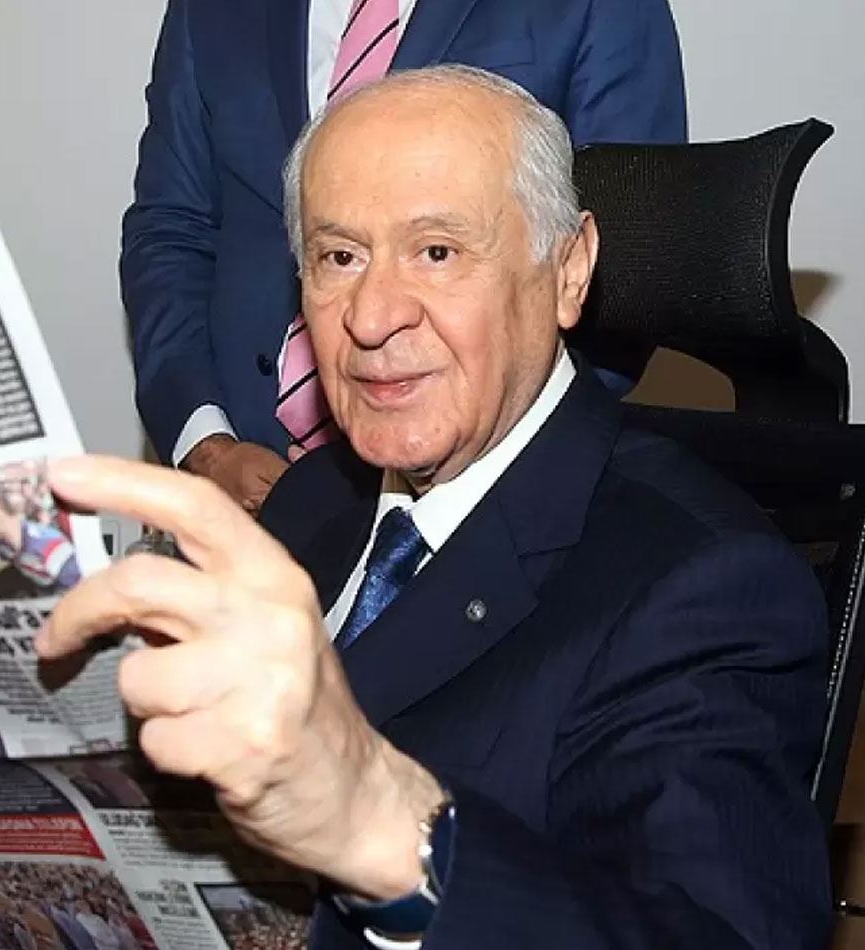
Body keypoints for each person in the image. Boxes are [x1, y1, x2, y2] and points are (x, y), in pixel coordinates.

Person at [42, 67, 830, 948]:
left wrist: (384, 829)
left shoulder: (702, 587)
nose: (372, 317)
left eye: (438, 252)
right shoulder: (312, 497)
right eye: (340, 257)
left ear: (568, 271)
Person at [121, 0, 687, 511]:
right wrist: (207, 447)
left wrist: (480, 477)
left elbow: (625, 256)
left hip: (493, 500)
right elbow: (171, 228)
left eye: (436, 251)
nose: (369, 320)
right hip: (246, 490)